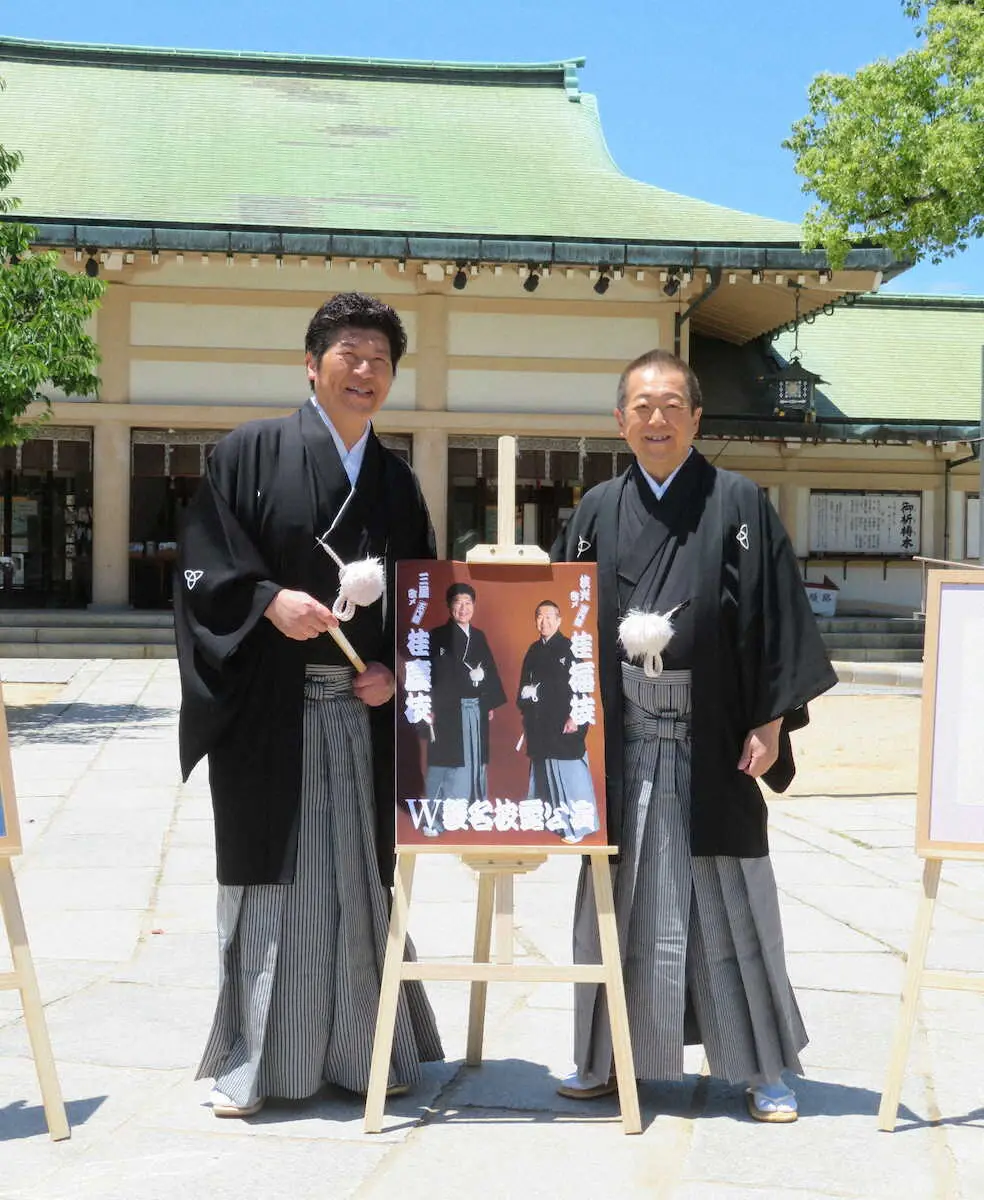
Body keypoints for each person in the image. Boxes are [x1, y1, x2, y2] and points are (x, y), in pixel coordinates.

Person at [175, 292, 443, 1119]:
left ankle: (369, 1055)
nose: (364, 371)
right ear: (312, 364)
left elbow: (427, 602)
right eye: (349, 354)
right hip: (270, 714)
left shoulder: (395, 482)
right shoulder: (247, 453)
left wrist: (397, 674)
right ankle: (256, 1062)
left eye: (379, 360)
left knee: (360, 881)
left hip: (360, 716)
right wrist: (266, 603)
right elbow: (202, 572)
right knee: (274, 882)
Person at [551, 348, 837, 1123]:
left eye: (672, 404)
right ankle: (606, 1059)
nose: (656, 419)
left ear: (697, 418)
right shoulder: (594, 512)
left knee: (731, 906)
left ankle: (761, 1068)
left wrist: (772, 720)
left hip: (712, 740)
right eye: (641, 405)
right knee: (617, 905)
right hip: (621, 742)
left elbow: (777, 618)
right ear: (620, 419)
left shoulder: (739, 502)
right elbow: (560, 627)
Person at [420, 583, 506, 830]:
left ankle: (473, 810)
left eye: (468, 603)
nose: (463, 608)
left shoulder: (478, 636)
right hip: (447, 710)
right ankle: (437, 819)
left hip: (475, 709)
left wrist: (487, 697)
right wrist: (429, 704)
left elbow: (489, 668)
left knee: (475, 761)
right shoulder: (437, 636)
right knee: (446, 764)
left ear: (474, 606)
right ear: (449, 606)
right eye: (458, 602)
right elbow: (434, 673)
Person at [516, 600, 599, 844]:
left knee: (569, 772)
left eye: (550, 616)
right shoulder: (533, 650)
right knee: (545, 771)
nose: (545, 621)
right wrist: (526, 694)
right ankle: (556, 821)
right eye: (540, 617)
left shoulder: (569, 647)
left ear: (559, 620)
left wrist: (576, 715)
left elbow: (582, 686)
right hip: (541, 721)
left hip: (565, 720)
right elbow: (523, 686)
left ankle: (579, 825)